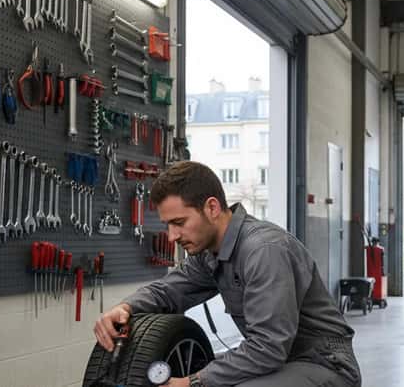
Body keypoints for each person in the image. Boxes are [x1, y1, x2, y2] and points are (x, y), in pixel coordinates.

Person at [93, 161, 361, 387]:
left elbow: (268, 348)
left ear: (212, 208)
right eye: (168, 226)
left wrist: (193, 382)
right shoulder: (210, 253)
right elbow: (168, 290)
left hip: (325, 365)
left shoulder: (263, 250)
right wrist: (125, 307)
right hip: (283, 361)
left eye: (179, 223)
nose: (172, 236)